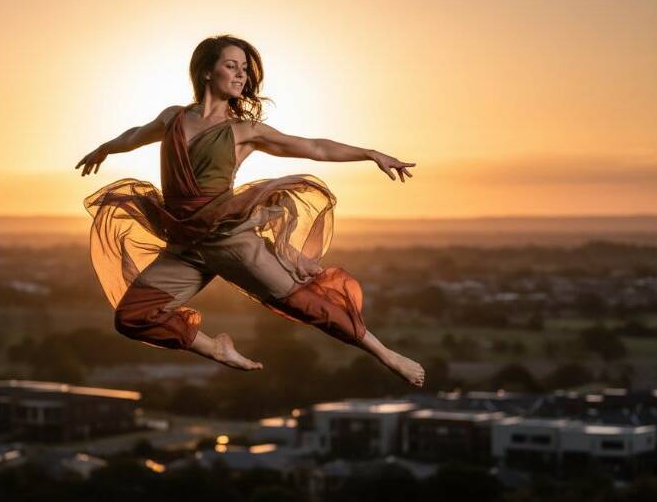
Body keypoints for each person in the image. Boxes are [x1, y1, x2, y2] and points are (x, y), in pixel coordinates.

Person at [76, 35, 425, 387]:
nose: (241, 75)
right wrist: (104, 149)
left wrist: (370, 153)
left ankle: (386, 354)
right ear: (207, 72)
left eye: (244, 69)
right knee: (131, 317)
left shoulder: (244, 131)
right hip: (184, 246)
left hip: (231, 241)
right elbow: (135, 135)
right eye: (232, 66)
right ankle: (216, 349)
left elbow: (315, 147)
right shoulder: (174, 118)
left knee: (305, 305)